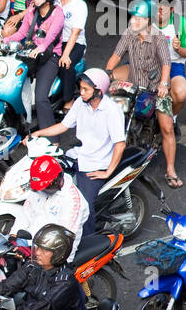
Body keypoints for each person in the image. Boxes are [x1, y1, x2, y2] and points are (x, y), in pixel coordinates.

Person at [33, 68, 125, 236]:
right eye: (81, 88)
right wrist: (39, 133)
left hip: (96, 164)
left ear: (98, 91)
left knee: (84, 205)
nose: (81, 93)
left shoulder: (112, 111)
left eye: (86, 90)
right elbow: (63, 126)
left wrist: (107, 172)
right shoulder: (80, 104)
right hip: (77, 156)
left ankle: (89, 242)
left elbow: (120, 144)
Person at [104, 0, 180, 188]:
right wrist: (106, 73)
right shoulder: (129, 34)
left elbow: (165, 64)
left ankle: (170, 169)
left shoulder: (159, 38)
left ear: (149, 20)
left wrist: (163, 84)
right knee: (114, 112)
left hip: (155, 89)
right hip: (135, 86)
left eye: (139, 18)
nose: (134, 21)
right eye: (133, 17)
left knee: (167, 128)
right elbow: (116, 55)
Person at [1, 0, 65, 130]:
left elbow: (51, 35)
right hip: (31, 53)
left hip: (50, 56)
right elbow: (21, 33)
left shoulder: (58, 13)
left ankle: (51, 137)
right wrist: (4, 41)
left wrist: (41, 47)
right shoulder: (31, 11)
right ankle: (24, 121)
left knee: (41, 98)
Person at [9, 156, 88, 261]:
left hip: (55, 254)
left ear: (57, 181)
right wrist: (14, 234)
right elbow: (25, 213)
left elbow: (62, 238)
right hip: (30, 242)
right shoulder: (38, 189)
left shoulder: (72, 201)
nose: (42, 190)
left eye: (45, 187)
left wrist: (32, 251)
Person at [153, 0, 186, 119]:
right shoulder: (147, 19)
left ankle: (172, 118)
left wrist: (178, 49)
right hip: (149, 62)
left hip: (173, 64)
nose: (159, 12)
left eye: (163, 9)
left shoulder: (181, 24)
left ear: (171, 10)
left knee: (180, 94)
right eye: (157, 7)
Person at [55, 0, 88, 104]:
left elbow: (75, 33)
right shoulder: (55, 0)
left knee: (65, 65)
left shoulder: (79, 6)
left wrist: (66, 54)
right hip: (56, 41)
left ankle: (68, 101)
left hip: (75, 43)